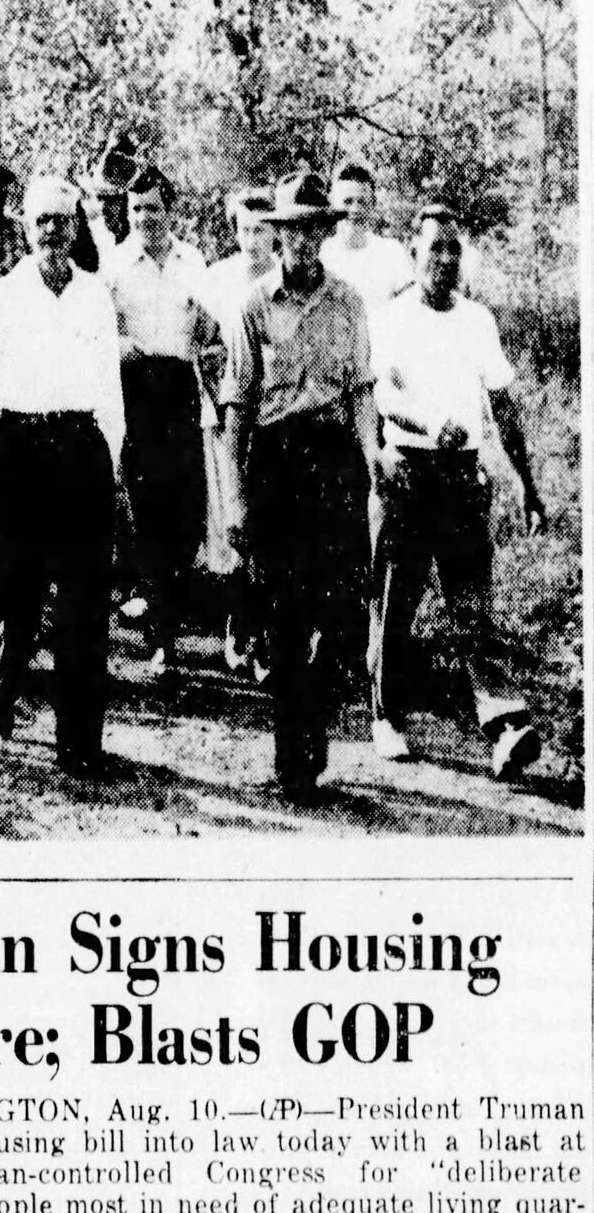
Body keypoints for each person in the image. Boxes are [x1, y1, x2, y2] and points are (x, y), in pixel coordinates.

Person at [366, 204, 546, 778]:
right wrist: (425, 424)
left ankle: (503, 726)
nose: (444, 260)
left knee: (473, 609)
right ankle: (386, 716)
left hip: (464, 480)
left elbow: (503, 404)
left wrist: (527, 483)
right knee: (398, 602)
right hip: (409, 474)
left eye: (453, 249)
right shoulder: (390, 318)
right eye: (433, 248)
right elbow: (382, 396)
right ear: (414, 253)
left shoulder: (477, 321)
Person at [219, 171, 378, 804]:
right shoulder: (254, 304)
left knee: (341, 615)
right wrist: (235, 497)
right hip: (278, 466)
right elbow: (238, 403)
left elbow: (362, 388)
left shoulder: (348, 301)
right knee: (284, 621)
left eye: (314, 231)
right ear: (278, 236)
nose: (303, 243)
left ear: (324, 235)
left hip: (336, 463)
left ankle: (316, 727)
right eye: (292, 232)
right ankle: (295, 759)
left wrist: (372, 463)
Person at [0, 177, 124, 773]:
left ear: (77, 226)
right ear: (25, 229)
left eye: (62, 219)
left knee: (84, 601)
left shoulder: (95, 296)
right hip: (19, 451)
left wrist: (112, 459)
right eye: (42, 221)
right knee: (18, 595)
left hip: (80, 449)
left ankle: (80, 742)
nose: (53, 231)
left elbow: (110, 387)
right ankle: (2, 699)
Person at [102, 164, 215, 676]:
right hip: (137, 391)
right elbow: (104, 334)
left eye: (153, 208)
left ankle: (170, 605)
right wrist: (132, 348)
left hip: (183, 392)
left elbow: (212, 328)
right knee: (147, 511)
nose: (144, 218)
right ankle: (163, 635)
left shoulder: (193, 261)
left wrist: (205, 342)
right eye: (136, 209)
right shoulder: (116, 265)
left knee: (187, 508)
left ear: (171, 210)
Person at [201, 187, 278, 671]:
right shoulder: (217, 280)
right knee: (232, 524)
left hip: (272, 420)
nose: (253, 240)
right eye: (245, 230)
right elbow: (203, 345)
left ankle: (267, 636)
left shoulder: (286, 280)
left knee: (270, 527)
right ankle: (239, 626)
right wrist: (217, 400)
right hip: (227, 420)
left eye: (262, 230)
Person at [321, 163, 414, 309]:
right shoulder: (321, 255)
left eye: (363, 202)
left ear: (373, 205)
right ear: (333, 204)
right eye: (347, 201)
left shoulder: (392, 252)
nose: (355, 209)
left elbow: (410, 309)